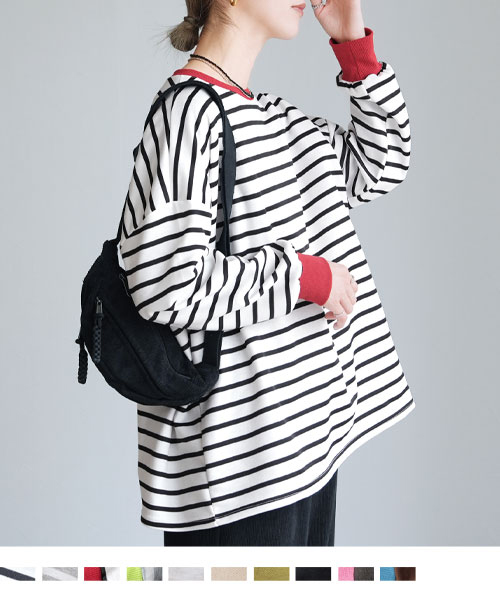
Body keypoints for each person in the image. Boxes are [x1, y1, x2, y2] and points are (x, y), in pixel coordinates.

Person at [118, 0, 415, 546]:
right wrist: (304, 277)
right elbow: (164, 283)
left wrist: (353, 46)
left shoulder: (274, 117)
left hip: (306, 446)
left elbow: (382, 163)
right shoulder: (188, 113)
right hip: (241, 469)